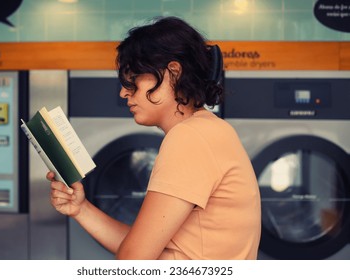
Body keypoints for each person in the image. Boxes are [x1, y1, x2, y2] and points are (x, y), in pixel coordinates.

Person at [47, 16, 261, 260]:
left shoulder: (189, 137)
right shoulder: (211, 130)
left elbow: (133, 259)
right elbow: (142, 247)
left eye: (133, 79)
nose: (123, 92)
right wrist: (80, 209)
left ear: (173, 72)